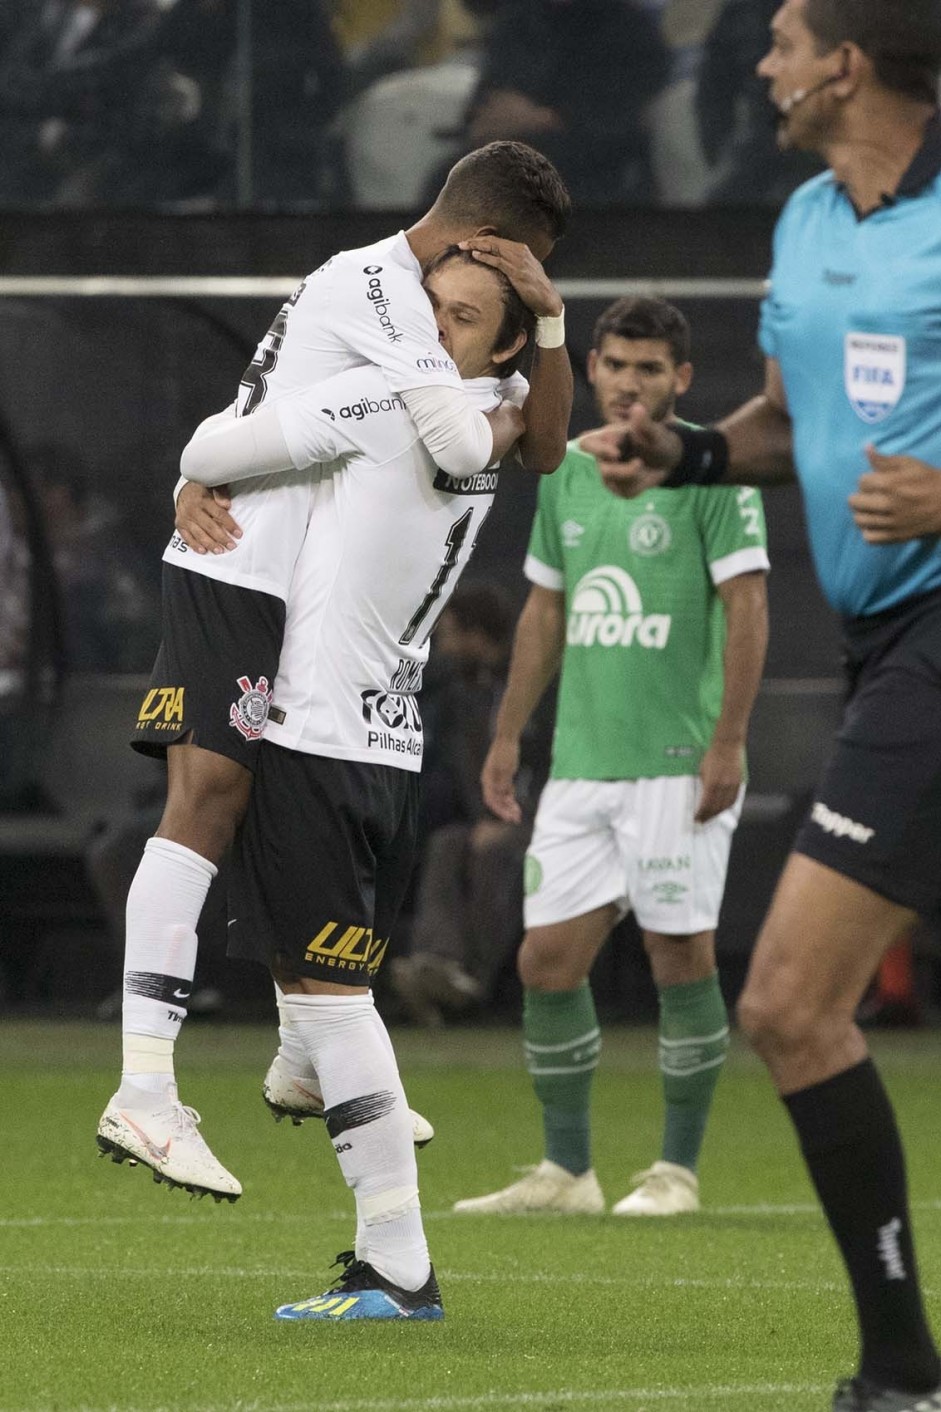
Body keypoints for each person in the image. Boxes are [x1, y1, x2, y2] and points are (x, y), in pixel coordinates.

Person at [96, 139, 571, 1206]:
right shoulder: (378, 288)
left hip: (278, 578)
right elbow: (460, 444)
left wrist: (539, 334)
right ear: (476, 240)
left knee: (263, 804)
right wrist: (192, 472)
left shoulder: (412, 306)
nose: (505, 294)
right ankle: (143, 1088)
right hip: (232, 562)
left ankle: (308, 1050)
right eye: (514, 265)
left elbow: (524, 441)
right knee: (207, 796)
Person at [581, 4, 941, 1405]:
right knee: (796, 1006)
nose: (761, 63)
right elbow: (786, 422)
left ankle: (900, 1372)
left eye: (784, 38)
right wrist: (676, 455)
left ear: (846, 64)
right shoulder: (801, 218)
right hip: (879, 639)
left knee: (790, 1001)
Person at [191, 246, 565, 1320]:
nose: (431, 328)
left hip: (316, 737)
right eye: (430, 306)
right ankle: (306, 1071)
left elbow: (212, 441)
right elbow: (540, 424)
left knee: (328, 992)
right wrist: (543, 333)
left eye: (460, 316)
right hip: (386, 745)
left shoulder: (383, 399)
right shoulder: (495, 420)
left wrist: (199, 472)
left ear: (498, 342)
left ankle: (395, 1262)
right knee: (314, 985)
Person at [452, 295, 769, 1217]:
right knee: (544, 961)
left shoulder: (716, 467)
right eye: (616, 366)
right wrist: (510, 734)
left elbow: (747, 608)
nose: (630, 384)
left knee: (680, 954)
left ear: (680, 379)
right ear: (591, 370)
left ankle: (675, 1171)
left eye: (649, 369)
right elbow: (546, 611)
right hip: (584, 764)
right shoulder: (566, 472)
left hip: (678, 757)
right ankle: (567, 1173)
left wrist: (728, 741)